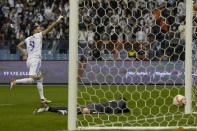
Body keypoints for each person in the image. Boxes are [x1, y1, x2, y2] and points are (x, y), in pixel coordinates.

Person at [9, 15, 64, 105]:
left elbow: (18, 46)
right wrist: (57, 20)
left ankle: (42, 99)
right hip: (35, 60)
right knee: (31, 80)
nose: (40, 30)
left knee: (40, 79)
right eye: (38, 29)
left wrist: (25, 55)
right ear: (34, 30)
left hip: (29, 61)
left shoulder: (28, 39)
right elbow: (49, 28)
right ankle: (14, 82)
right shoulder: (38, 35)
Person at [33, 98, 130, 115]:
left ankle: (47, 108)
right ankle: (65, 112)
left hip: (97, 104)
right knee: (85, 111)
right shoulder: (121, 102)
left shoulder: (114, 101)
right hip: (99, 107)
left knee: (73, 108)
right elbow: (127, 110)